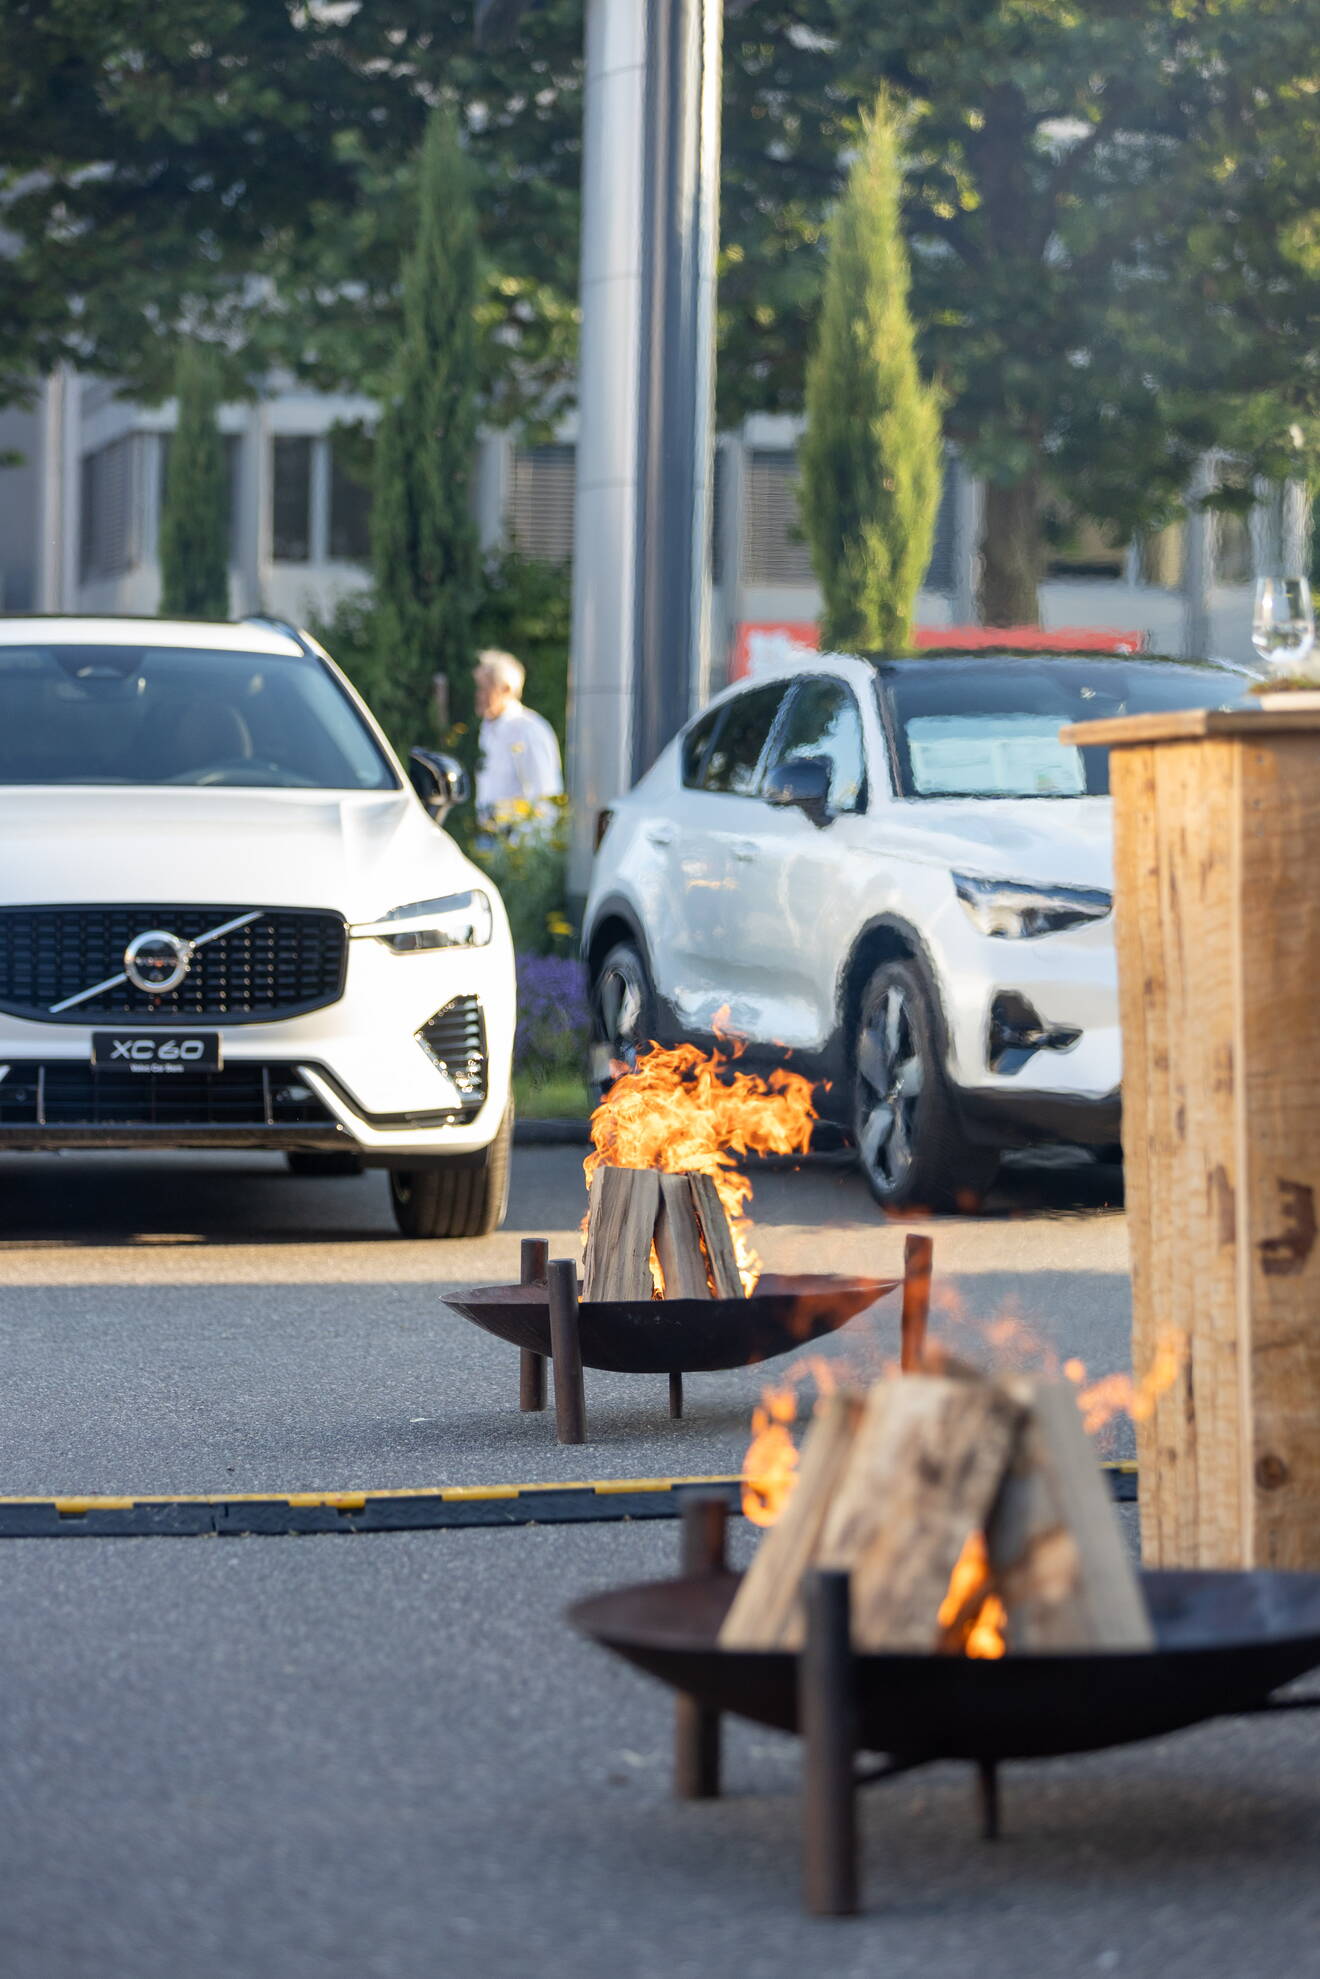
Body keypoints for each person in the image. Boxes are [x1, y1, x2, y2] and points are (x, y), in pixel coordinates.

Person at [472, 648, 563, 833]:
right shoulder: (488, 728)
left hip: (517, 846)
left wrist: (521, 852)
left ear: (505, 689)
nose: (478, 695)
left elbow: (545, 798)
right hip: (490, 839)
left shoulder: (529, 730)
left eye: (484, 688)